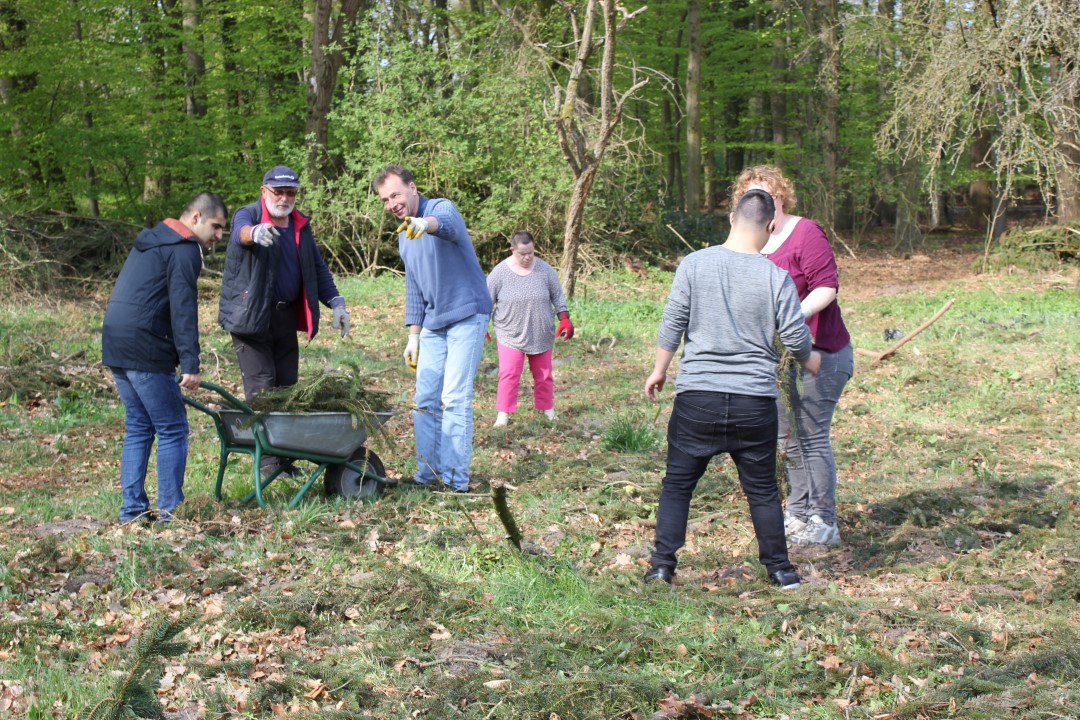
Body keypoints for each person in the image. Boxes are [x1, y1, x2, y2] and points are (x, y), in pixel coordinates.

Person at [643, 189, 821, 588]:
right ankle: (781, 570)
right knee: (761, 491)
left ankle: (661, 567)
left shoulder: (694, 264)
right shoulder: (776, 276)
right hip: (753, 402)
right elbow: (795, 336)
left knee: (677, 486)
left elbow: (674, 321)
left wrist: (659, 370)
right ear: (771, 226)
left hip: (697, 399)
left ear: (730, 218)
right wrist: (810, 358)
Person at [733, 165, 853, 547]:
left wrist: (790, 315)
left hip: (821, 353)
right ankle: (798, 513)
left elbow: (826, 287)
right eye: (753, 196)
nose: (763, 202)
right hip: (775, 359)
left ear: (781, 197)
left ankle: (824, 519)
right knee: (787, 438)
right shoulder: (748, 242)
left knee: (812, 436)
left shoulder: (805, 233)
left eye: (769, 195)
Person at [102, 192, 228, 523]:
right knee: (172, 428)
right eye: (216, 227)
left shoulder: (150, 241)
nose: (218, 236)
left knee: (139, 427)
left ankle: (132, 512)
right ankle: (172, 512)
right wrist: (191, 364)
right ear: (196, 218)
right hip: (145, 345)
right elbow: (183, 309)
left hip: (115, 340)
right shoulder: (184, 250)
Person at [218, 165, 351, 474]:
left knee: (287, 387)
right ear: (264, 191)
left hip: (284, 316)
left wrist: (337, 302)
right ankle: (267, 462)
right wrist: (254, 233)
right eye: (278, 192)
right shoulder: (248, 214)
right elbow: (239, 234)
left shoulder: (300, 226)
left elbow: (316, 267)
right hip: (250, 318)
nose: (284, 198)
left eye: (290, 192)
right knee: (263, 388)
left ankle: (285, 459)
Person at [374, 164, 492, 492]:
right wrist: (413, 336)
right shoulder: (404, 238)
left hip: (467, 314)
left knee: (454, 398)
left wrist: (424, 223)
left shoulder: (440, 208)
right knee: (424, 400)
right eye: (385, 200)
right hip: (433, 324)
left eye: (395, 194)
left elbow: (448, 225)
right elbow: (415, 287)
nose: (392, 204)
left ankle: (456, 482)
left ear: (413, 188)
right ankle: (428, 475)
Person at [487, 231, 574, 427]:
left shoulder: (545, 270)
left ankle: (547, 409)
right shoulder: (500, 272)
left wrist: (565, 318)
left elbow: (558, 296)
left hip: (541, 331)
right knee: (509, 373)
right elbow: (487, 300)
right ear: (512, 250)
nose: (526, 257)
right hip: (510, 331)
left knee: (544, 374)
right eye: (522, 254)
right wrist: (482, 324)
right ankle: (503, 414)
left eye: (530, 253)